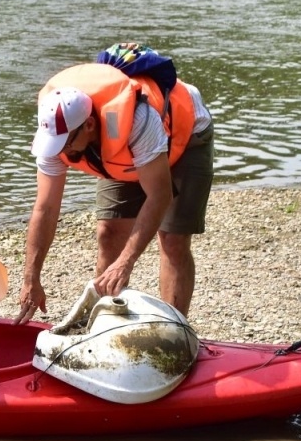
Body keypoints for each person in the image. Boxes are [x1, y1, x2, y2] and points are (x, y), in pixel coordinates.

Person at [17, 46, 214, 322]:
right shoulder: (57, 132)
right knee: (109, 233)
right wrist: (31, 278)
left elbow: (159, 195)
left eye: (65, 143)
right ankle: (107, 322)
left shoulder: (137, 119)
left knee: (172, 239)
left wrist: (126, 262)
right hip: (125, 153)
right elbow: (45, 208)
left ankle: (175, 328)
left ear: (88, 125)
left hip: (186, 134)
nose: (60, 150)